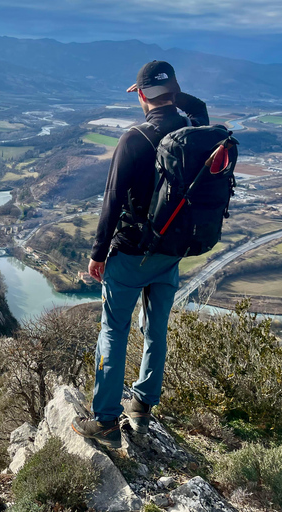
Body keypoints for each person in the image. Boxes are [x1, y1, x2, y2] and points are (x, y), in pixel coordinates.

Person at [71, 61, 209, 448]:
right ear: (175, 91)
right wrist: (170, 92)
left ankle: (105, 421)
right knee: (156, 328)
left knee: (114, 330)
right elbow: (198, 105)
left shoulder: (134, 138)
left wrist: (98, 254)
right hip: (171, 253)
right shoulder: (194, 129)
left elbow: (111, 202)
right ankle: (142, 406)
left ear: (142, 95)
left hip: (132, 253)